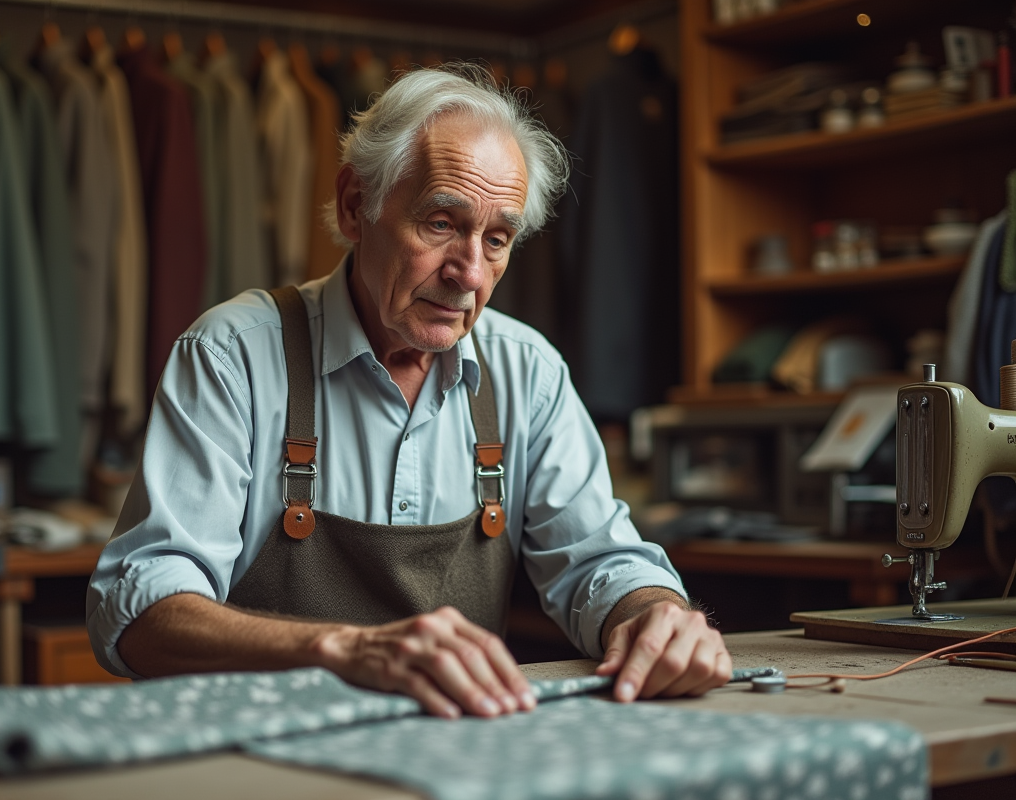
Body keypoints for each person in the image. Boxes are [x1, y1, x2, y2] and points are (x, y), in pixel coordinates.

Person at [87, 64, 729, 719]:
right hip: (255, 752)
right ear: (353, 204)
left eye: (497, 239)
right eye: (441, 224)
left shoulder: (527, 371)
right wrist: (344, 650)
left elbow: (598, 561)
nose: (469, 274)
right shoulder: (235, 354)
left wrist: (655, 614)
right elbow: (141, 610)